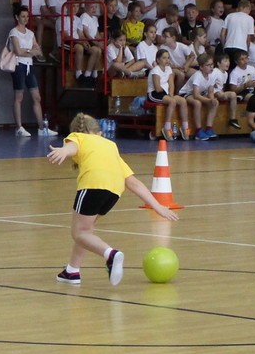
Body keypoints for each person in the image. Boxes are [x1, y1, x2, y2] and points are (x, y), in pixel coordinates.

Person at [45, 115, 179, 286]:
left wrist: (64, 151)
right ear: (99, 132)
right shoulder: (110, 146)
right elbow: (133, 183)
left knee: (79, 233)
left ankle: (110, 254)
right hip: (114, 192)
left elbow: (72, 146)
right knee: (86, 231)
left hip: (93, 185)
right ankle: (72, 271)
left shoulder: (78, 137)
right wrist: (157, 206)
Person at [5, 6, 47, 138]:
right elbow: (18, 51)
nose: (25, 19)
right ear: (17, 17)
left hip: (29, 65)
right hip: (18, 65)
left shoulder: (30, 33)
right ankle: (19, 127)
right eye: (23, 16)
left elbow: (38, 50)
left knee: (36, 97)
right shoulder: (14, 32)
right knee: (19, 97)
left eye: (27, 16)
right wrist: (31, 51)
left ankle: (42, 128)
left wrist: (28, 51)